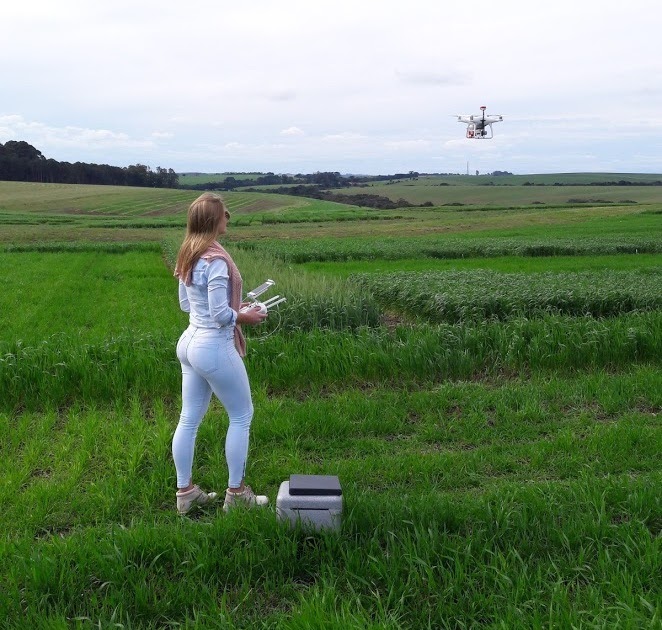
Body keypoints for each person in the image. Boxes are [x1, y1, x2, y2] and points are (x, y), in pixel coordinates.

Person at [172, 192, 268, 515]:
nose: (228, 216)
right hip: (213, 345)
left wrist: (232, 308)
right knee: (242, 415)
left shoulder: (188, 253)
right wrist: (245, 315)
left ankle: (185, 493)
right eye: (224, 213)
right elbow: (219, 315)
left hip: (189, 342)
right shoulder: (216, 262)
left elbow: (187, 305)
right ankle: (237, 495)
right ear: (214, 220)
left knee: (189, 418)